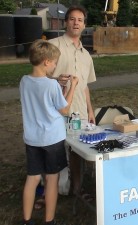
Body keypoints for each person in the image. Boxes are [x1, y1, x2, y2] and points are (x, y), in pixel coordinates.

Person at [20, 39, 78, 225]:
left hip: (32, 139)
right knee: (52, 179)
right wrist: (72, 87)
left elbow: (45, 101)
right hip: (52, 140)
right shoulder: (51, 85)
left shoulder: (24, 81)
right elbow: (64, 109)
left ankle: (26, 220)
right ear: (46, 61)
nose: (54, 66)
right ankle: (49, 220)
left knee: (33, 177)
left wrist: (58, 87)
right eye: (54, 62)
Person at [48, 5, 97, 197]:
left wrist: (90, 110)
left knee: (77, 151)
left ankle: (77, 188)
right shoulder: (53, 46)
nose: (76, 23)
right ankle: (54, 190)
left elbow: (84, 86)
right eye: (72, 19)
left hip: (79, 112)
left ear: (84, 25)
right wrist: (54, 80)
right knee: (55, 151)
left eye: (80, 20)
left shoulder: (86, 55)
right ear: (66, 22)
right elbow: (38, 75)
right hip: (54, 110)